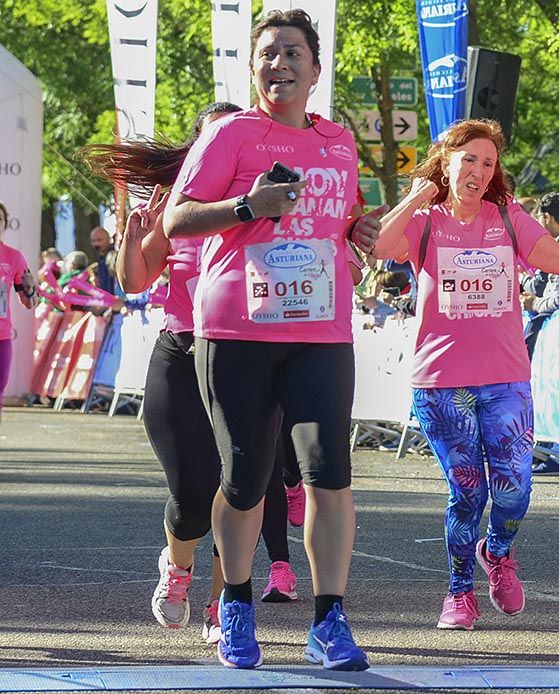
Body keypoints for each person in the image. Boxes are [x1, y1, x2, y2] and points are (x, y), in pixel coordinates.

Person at [163, 9, 381, 671]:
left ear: (315, 68)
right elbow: (177, 219)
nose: (279, 64)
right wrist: (246, 209)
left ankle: (330, 620)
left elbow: (340, 219)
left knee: (330, 474)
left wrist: (357, 233)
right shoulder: (231, 134)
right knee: (246, 478)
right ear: (253, 68)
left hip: (320, 331)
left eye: (292, 53)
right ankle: (234, 601)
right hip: (238, 330)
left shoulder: (340, 142)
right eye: (267, 54)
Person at [87, 101, 305, 640]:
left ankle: (221, 606)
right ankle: (177, 566)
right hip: (181, 355)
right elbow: (135, 280)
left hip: (242, 357)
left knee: (238, 489)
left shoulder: (268, 206)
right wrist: (130, 241)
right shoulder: (178, 209)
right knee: (191, 497)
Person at [372, 118, 559, 631]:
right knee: (468, 491)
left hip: (505, 377)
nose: (477, 170)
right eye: (468, 159)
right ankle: (459, 591)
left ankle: (497, 551)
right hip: (441, 381)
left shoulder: (508, 218)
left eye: (487, 162)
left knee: (514, 487)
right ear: (447, 163)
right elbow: (381, 248)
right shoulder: (425, 222)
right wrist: (414, 198)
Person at [0, 201, 39, 418]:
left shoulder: (13, 257)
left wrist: (30, 288)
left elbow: (29, 303)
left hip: (2, 336)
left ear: (5, 224)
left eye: (0, 219)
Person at [90, 226, 120, 296]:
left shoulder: (113, 256)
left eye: (99, 240)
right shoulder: (100, 258)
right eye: (93, 241)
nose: (96, 244)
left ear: (108, 240)